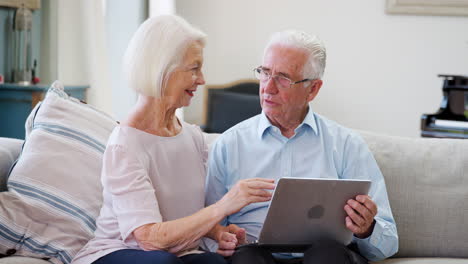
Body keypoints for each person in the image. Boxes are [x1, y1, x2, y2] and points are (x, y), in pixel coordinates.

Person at [71, 15, 275, 264]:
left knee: (214, 263)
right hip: (117, 252)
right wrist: (224, 206)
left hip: (177, 253)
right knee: (163, 262)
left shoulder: (192, 137)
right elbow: (148, 239)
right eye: (194, 68)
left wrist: (218, 232)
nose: (202, 79)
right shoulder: (125, 144)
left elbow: (188, 217)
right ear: (163, 70)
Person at [205, 30, 399, 264]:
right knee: (247, 260)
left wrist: (366, 229)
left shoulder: (347, 145)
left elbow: (388, 244)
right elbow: (208, 232)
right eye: (265, 73)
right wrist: (222, 239)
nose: (268, 87)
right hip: (254, 254)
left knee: (327, 255)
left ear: (313, 89)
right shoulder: (228, 145)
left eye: (283, 78)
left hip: (326, 255)